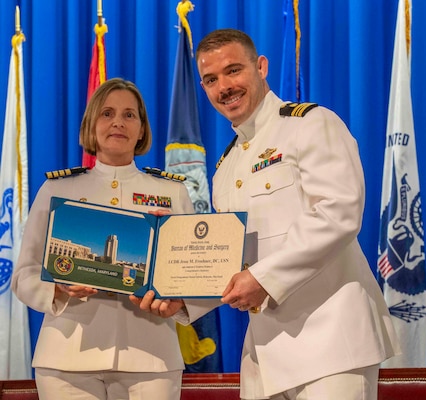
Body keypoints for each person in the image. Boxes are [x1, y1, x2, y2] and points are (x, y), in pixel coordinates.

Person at [193, 28, 400, 400]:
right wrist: (180, 298)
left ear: (261, 67)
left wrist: (263, 278)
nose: (223, 86)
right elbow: (228, 262)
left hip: (331, 347)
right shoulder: (224, 167)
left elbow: (339, 213)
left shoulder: (311, 123)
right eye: (211, 79)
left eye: (233, 71)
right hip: (263, 358)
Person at [12, 77, 194, 400]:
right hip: (65, 360)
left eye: (129, 115)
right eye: (107, 113)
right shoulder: (58, 190)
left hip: (152, 357)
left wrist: (181, 304)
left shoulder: (172, 192)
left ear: (141, 129)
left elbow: (194, 273)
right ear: (91, 124)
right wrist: (58, 289)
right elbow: (23, 275)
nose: (118, 123)